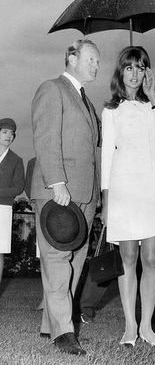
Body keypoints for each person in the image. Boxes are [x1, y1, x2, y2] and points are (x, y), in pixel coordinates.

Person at [100, 46, 155, 347]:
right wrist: (106, 201)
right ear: (121, 71)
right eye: (129, 67)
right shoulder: (111, 110)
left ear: (148, 72)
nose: (135, 73)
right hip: (124, 189)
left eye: (141, 66)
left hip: (154, 188)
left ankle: (147, 326)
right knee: (128, 257)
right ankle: (130, 327)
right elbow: (107, 156)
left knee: (151, 258)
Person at [31, 39, 101, 356]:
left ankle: (53, 325)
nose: (96, 65)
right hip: (58, 192)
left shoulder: (87, 102)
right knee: (58, 260)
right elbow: (46, 138)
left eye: (98, 61)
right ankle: (64, 332)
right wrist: (57, 182)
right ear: (71, 57)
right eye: (91, 59)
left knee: (75, 260)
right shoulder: (52, 89)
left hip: (85, 194)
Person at [0, 118, 24, 285]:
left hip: (3, 209)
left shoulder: (16, 160)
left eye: (12, 133)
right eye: (5, 132)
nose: (9, 136)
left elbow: (18, 187)